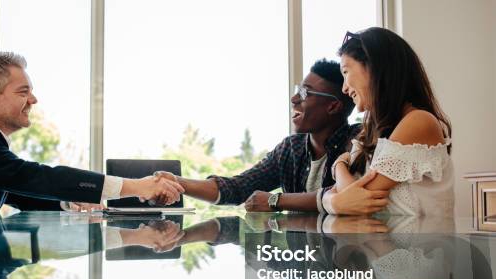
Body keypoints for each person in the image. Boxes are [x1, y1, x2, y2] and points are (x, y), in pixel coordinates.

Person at [0, 51, 183, 267]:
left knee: (42, 248)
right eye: (23, 91)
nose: (33, 100)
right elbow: (34, 177)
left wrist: (70, 202)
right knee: (43, 253)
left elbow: (18, 191)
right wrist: (137, 187)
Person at [155, 59, 379, 213]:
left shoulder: (359, 140)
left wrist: (275, 201)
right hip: (303, 266)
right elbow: (237, 188)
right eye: (296, 89)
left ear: (333, 107)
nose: (294, 99)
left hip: (346, 267)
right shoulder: (291, 148)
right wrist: (178, 182)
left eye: (304, 92)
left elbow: (338, 197)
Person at [322, 27, 454, 216]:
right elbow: (347, 198)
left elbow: (357, 201)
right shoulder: (372, 132)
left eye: (345, 72)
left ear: (375, 68)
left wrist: (338, 170)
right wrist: (334, 198)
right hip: (377, 243)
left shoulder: (419, 121)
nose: (343, 88)